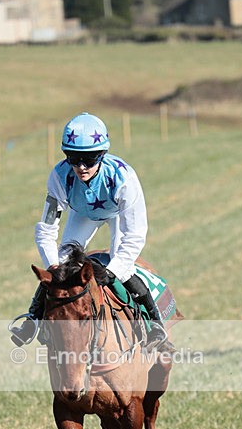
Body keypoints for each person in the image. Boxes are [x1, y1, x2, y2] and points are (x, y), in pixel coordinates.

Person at [10, 111, 168, 348]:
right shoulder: (59, 176)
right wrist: (53, 266)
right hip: (83, 213)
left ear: (102, 155)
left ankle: (154, 325)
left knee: (122, 269)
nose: (82, 167)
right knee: (61, 266)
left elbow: (135, 233)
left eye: (90, 158)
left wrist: (112, 271)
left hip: (117, 214)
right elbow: (46, 229)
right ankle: (33, 318)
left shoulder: (123, 179)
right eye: (74, 158)